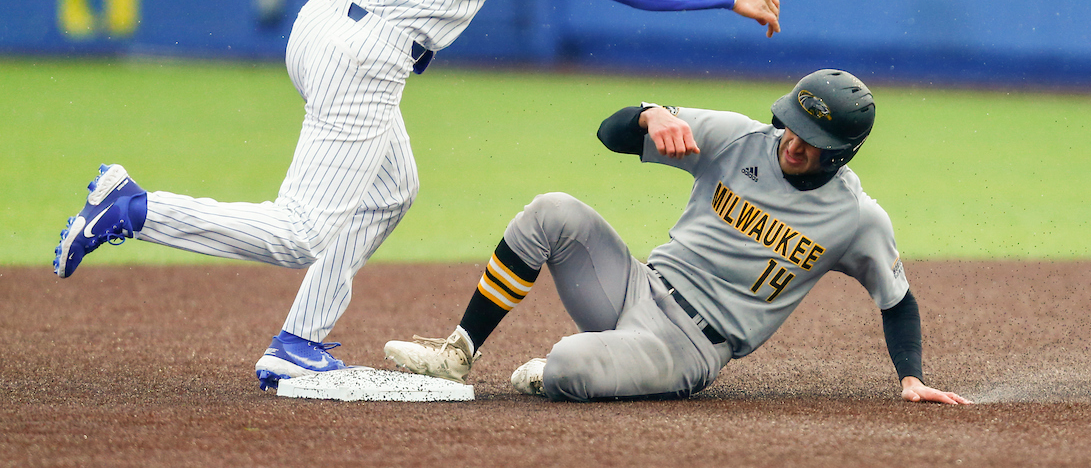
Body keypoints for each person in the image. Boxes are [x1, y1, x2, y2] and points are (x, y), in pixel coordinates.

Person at [51, 0, 782, 391]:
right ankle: (135, 208)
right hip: (366, 58)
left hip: (321, 26)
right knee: (298, 233)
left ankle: (297, 343)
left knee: (392, 188)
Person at [383, 69, 973, 404]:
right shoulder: (738, 140)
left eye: (811, 138)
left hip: (688, 348)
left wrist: (911, 378)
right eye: (792, 123)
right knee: (551, 211)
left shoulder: (857, 219)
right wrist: (649, 114)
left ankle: (584, 367)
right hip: (635, 286)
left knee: (566, 366)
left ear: (843, 151)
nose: (792, 141)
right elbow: (609, 133)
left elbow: (897, 302)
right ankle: (458, 353)